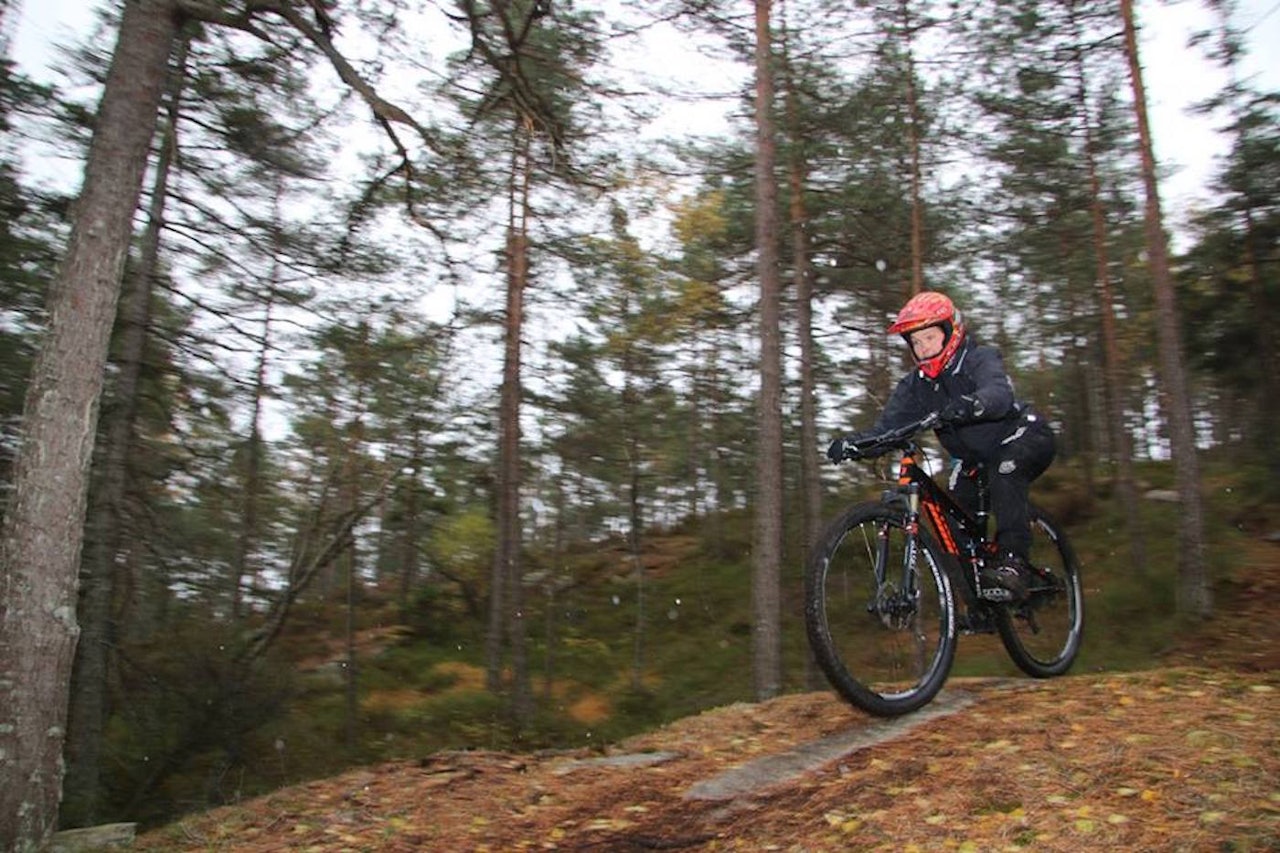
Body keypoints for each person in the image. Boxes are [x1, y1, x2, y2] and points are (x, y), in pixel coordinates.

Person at [826, 291, 1056, 601]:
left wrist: (971, 405)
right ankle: (978, 602)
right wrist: (853, 445)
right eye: (916, 342)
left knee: (1005, 470)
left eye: (930, 338)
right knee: (954, 524)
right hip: (973, 461)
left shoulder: (977, 359)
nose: (923, 348)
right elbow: (887, 429)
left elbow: (998, 394)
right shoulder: (916, 386)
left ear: (951, 332)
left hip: (1023, 435)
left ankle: (1014, 563)